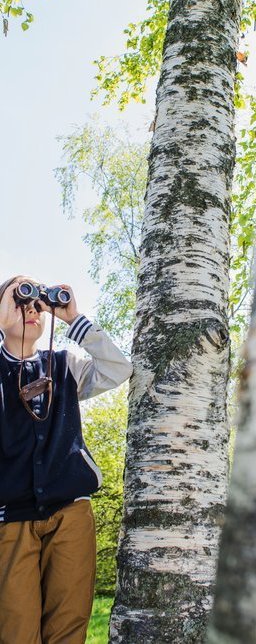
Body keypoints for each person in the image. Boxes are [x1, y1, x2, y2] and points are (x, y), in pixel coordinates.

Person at [0, 275, 133, 644]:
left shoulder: (64, 365)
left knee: (68, 630)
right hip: (10, 519)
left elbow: (117, 368)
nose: (30, 309)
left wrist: (73, 319)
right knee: (15, 633)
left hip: (71, 512)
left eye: (35, 301)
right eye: (18, 299)